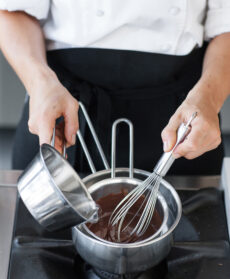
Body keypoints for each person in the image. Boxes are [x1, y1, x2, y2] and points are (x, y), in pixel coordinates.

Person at [0, 1, 229, 175]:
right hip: (62, 107)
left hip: (182, 118)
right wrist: (40, 84)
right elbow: (13, 8)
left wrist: (208, 99)